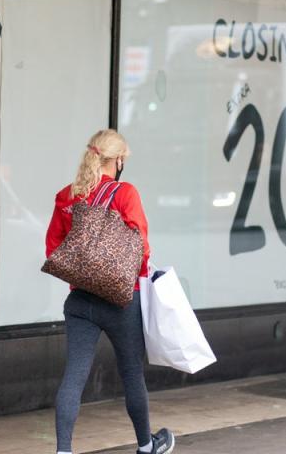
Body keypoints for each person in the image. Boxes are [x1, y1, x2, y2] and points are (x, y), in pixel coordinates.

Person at [45, 129, 175, 454]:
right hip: (121, 301)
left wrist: (87, 273)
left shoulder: (67, 197)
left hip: (80, 302)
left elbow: (53, 248)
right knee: (132, 373)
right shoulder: (125, 194)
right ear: (117, 161)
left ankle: (63, 450)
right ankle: (147, 446)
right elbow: (142, 249)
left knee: (73, 376)